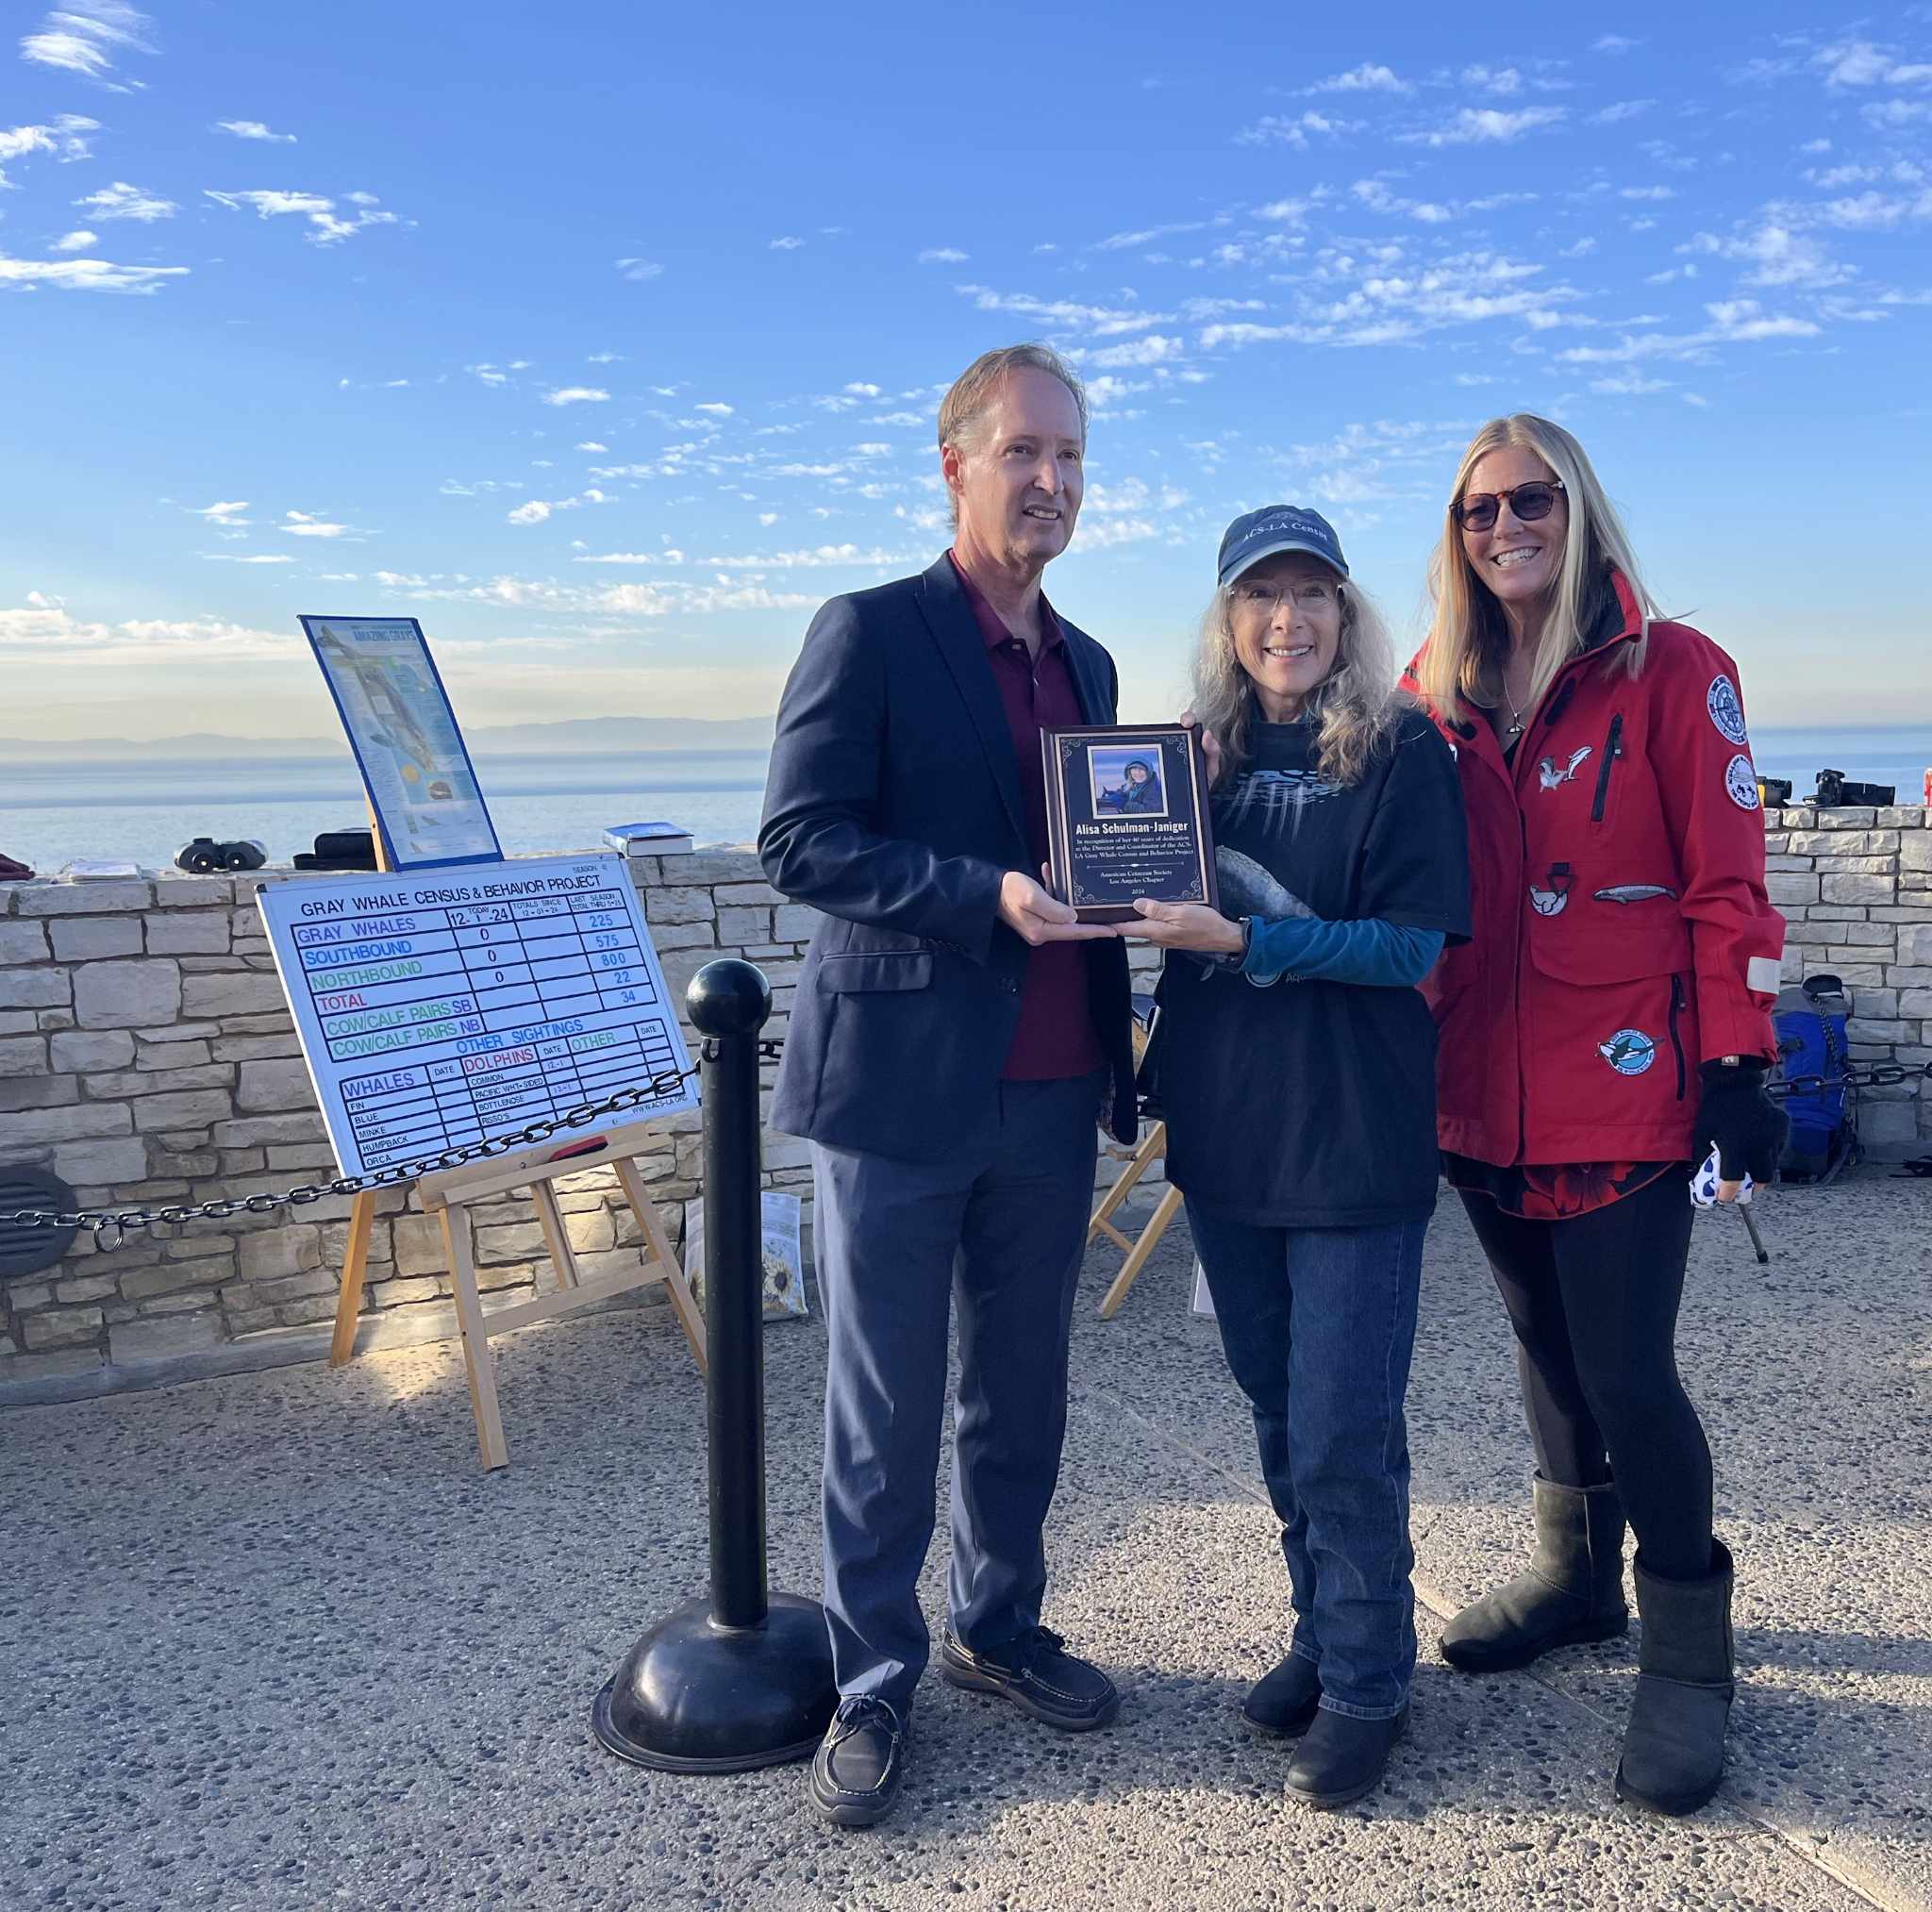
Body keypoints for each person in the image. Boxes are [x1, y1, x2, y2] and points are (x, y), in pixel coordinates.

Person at [758, 343, 1138, 1828]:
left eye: (1073, 459)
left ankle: (1001, 1624)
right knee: (887, 1404)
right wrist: (979, 892)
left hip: (1050, 1092)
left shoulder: (1090, 666)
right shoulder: (868, 631)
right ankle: (872, 1676)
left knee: (1022, 1389)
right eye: (1026, 454)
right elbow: (800, 841)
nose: (1052, 481)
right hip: (900, 1096)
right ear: (957, 466)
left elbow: (1114, 856)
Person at [1403, 414, 1788, 1817]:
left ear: (1577, 508)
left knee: (1629, 1368)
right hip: (1478, 1085)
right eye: (1476, 510)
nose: (1503, 526)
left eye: (1530, 501)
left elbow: (1728, 888)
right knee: (1542, 1347)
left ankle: (1688, 1655)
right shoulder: (1429, 688)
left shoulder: (1681, 673)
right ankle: (1575, 1582)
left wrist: (1742, 1066)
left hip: (1627, 1080)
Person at [1141, 506, 1471, 1809]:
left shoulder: (1401, 752)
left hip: (1355, 1135)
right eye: (1259, 597)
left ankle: (1374, 1682)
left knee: (1343, 1426)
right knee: (1279, 1415)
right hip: (1228, 1134)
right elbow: (1135, 906)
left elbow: (1409, 949)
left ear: (1345, 612)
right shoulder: (1190, 761)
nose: (1287, 620)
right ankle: (1319, 1636)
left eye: (1310, 594)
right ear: (1229, 621)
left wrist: (1250, 945)